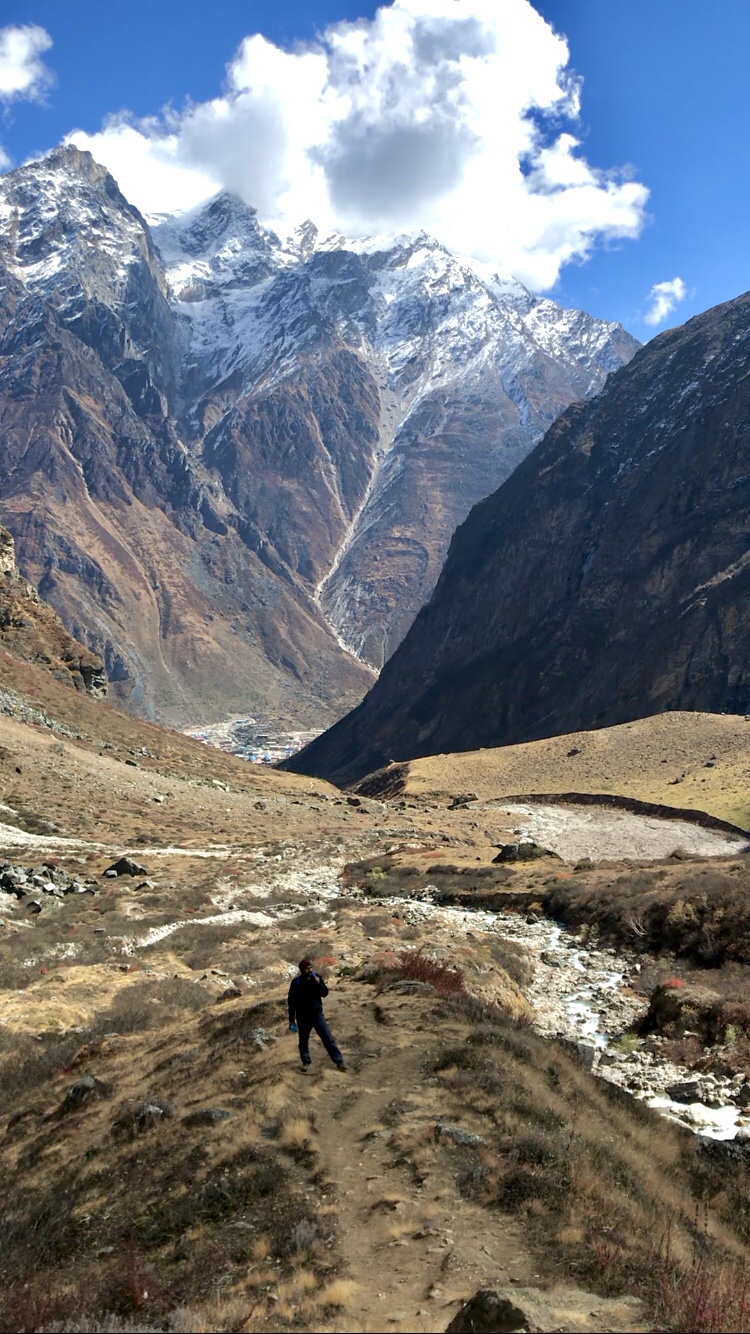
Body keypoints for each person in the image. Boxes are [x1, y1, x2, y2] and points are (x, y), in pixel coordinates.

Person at [288, 958, 346, 1071]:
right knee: (303, 1040)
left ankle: (339, 1061)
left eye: (311, 968)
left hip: (316, 1014)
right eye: (307, 968)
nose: (310, 970)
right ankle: (306, 1062)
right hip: (302, 1016)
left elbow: (324, 993)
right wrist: (291, 1020)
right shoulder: (296, 983)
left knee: (327, 1037)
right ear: (302, 970)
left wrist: (319, 984)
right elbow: (291, 1002)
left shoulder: (317, 978)